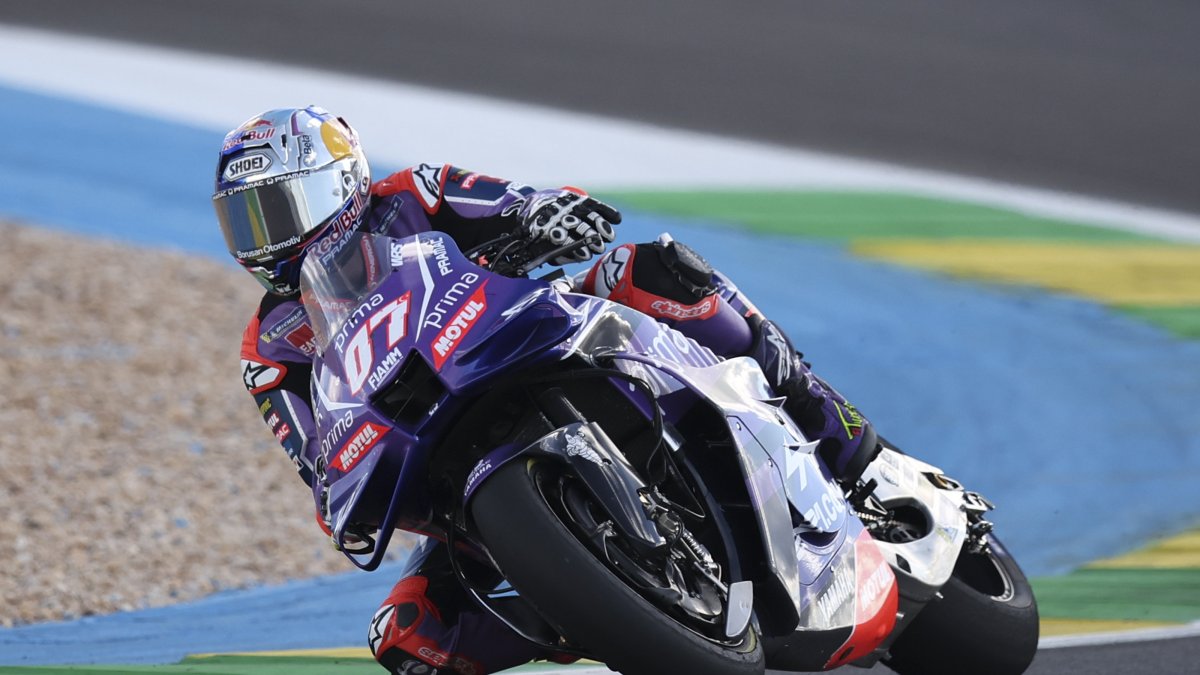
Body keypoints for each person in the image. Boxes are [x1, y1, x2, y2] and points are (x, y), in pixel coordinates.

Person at [213, 106, 879, 675]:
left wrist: (548, 215)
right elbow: (315, 457)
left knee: (649, 271)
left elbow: (513, 202)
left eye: (275, 210)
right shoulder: (268, 350)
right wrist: (343, 498)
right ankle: (596, 608)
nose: (262, 239)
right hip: (437, 456)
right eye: (243, 222)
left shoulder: (411, 196)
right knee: (407, 635)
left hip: (524, 335)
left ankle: (828, 420)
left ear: (336, 183)